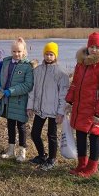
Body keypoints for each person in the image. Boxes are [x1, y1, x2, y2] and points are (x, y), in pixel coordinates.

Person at [65, 32, 99, 178]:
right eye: (91, 46)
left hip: (95, 110)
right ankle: (81, 164)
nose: (94, 50)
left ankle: (92, 167)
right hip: (81, 107)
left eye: (97, 47)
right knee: (80, 135)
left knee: (94, 137)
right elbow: (74, 85)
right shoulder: (81, 64)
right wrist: (69, 101)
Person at [27, 42, 70, 170]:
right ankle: (42, 155)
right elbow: (32, 90)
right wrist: (30, 106)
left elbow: (63, 95)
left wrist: (61, 112)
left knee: (51, 136)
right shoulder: (37, 71)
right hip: (40, 109)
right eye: (46, 54)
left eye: (51, 54)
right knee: (35, 133)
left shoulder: (61, 73)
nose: (48, 57)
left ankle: (52, 159)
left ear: (55, 56)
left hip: (54, 111)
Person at [0, 37, 34, 162]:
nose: (16, 54)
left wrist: (10, 91)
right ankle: (11, 150)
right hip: (6, 101)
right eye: (14, 51)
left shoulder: (27, 66)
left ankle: (22, 151)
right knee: (10, 124)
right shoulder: (6, 62)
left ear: (24, 52)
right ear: (11, 51)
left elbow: (28, 85)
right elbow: (1, 76)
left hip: (19, 101)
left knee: (21, 126)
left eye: (19, 52)